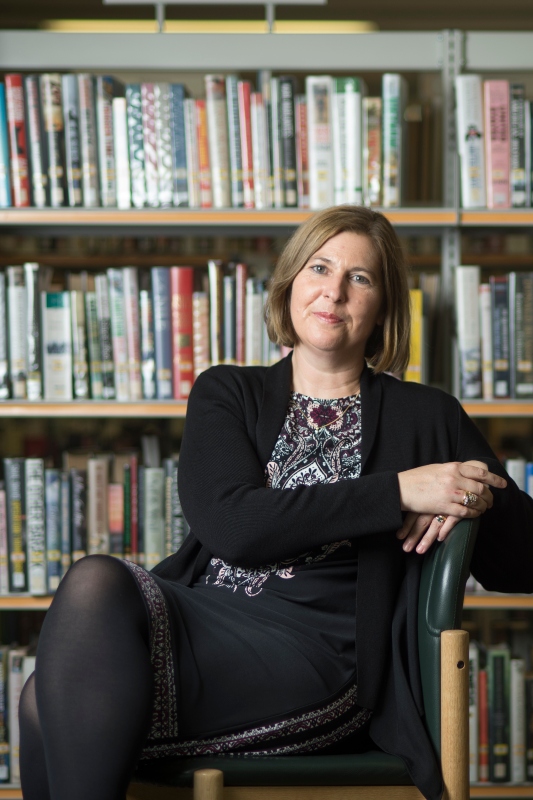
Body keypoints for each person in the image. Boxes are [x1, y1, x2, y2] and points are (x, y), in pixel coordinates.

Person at [19, 205, 533, 800]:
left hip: (321, 656)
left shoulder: (428, 416)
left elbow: (521, 561)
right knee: (91, 594)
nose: (333, 291)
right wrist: (398, 492)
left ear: (384, 307)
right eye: (319, 267)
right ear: (291, 282)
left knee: (44, 700)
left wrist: (469, 493)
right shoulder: (227, 392)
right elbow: (232, 525)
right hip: (205, 622)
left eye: (359, 278)